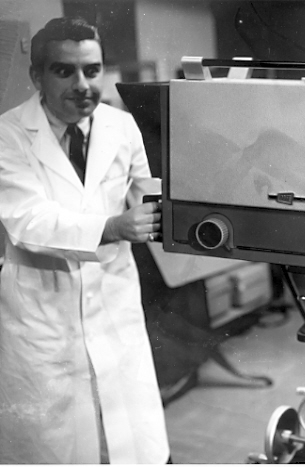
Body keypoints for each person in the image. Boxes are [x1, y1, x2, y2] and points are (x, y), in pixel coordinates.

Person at [0, 17, 170, 463]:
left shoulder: (120, 126)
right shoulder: (8, 134)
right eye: (64, 71)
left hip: (113, 302)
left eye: (92, 71)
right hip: (44, 316)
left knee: (126, 440)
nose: (82, 85)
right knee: (56, 447)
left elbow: (146, 192)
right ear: (37, 75)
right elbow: (26, 220)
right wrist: (112, 227)